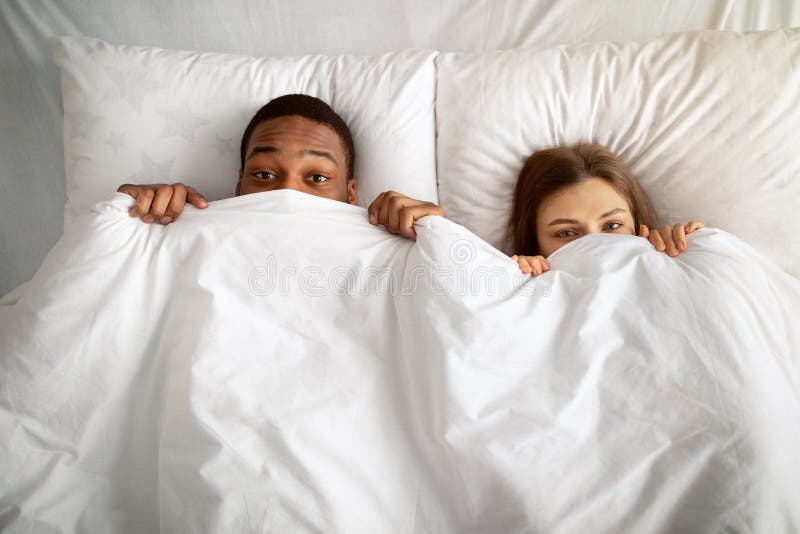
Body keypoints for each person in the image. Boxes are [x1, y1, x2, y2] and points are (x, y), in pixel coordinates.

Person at [118, 93, 442, 231]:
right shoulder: (180, 237)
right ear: (239, 185)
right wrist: (129, 218)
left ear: (351, 194)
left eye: (317, 178)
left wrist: (436, 236)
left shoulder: (395, 250)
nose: (287, 192)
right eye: (264, 174)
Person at [506, 143, 703, 276]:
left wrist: (691, 249)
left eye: (613, 225)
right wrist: (519, 276)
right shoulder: (526, 286)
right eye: (566, 233)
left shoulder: (663, 261)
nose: (596, 245)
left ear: (636, 226)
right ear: (536, 243)